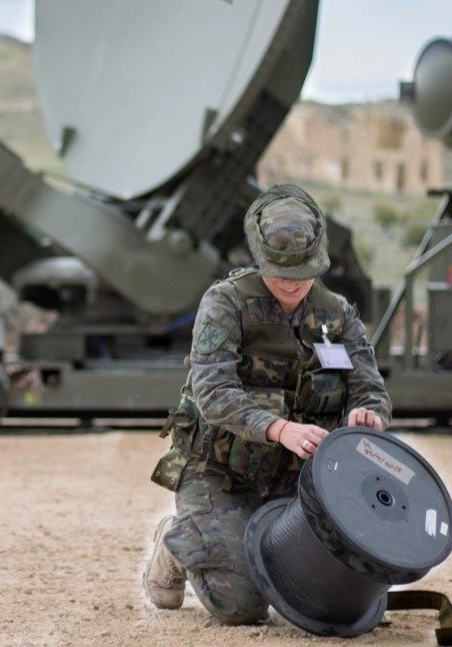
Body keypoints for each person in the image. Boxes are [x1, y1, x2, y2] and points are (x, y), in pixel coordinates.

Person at [142, 184, 391, 625]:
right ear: (259, 257)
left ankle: (236, 538)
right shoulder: (226, 304)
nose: (291, 281)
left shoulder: (338, 316)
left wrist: (367, 414)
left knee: (319, 597)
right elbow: (214, 393)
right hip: (220, 473)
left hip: (295, 485)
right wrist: (280, 429)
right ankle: (179, 540)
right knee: (242, 605)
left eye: (303, 270)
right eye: (279, 269)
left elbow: (370, 389)